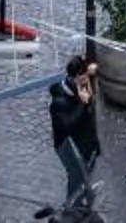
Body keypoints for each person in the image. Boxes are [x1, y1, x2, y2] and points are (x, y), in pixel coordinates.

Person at [43, 59, 101, 214]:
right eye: (82, 78)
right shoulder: (58, 102)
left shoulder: (80, 85)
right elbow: (68, 125)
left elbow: (88, 117)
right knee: (76, 174)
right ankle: (71, 208)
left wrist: (91, 72)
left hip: (87, 142)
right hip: (68, 144)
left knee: (85, 174)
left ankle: (79, 202)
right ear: (74, 78)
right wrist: (83, 104)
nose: (85, 82)